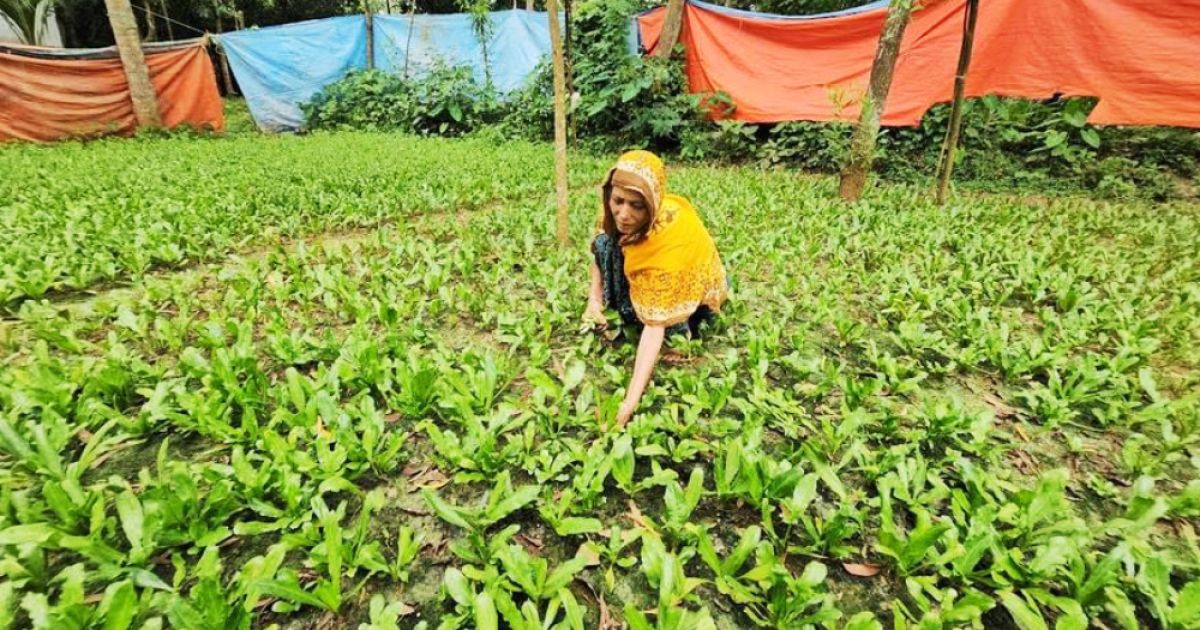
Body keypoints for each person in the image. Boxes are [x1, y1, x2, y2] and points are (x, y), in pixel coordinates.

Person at [584, 150, 729, 429]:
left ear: (651, 204)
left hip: (688, 286)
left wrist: (629, 402)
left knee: (668, 328)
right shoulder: (614, 213)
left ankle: (682, 329)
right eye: (618, 201)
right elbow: (597, 254)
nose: (624, 214)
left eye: (636, 205)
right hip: (654, 264)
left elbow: (652, 328)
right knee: (605, 242)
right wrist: (593, 301)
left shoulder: (668, 246)